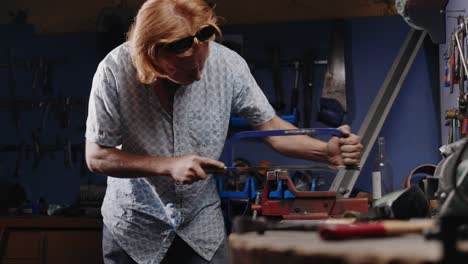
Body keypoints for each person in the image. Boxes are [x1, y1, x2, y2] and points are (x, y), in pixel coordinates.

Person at [85, 0, 363, 263]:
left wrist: (324, 151)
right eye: (182, 68)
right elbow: (96, 157)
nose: (197, 75)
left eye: (201, 62)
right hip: (135, 227)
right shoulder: (113, 72)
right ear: (151, 58)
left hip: (200, 227)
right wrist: (168, 166)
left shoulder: (228, 65)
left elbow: (272, 129)